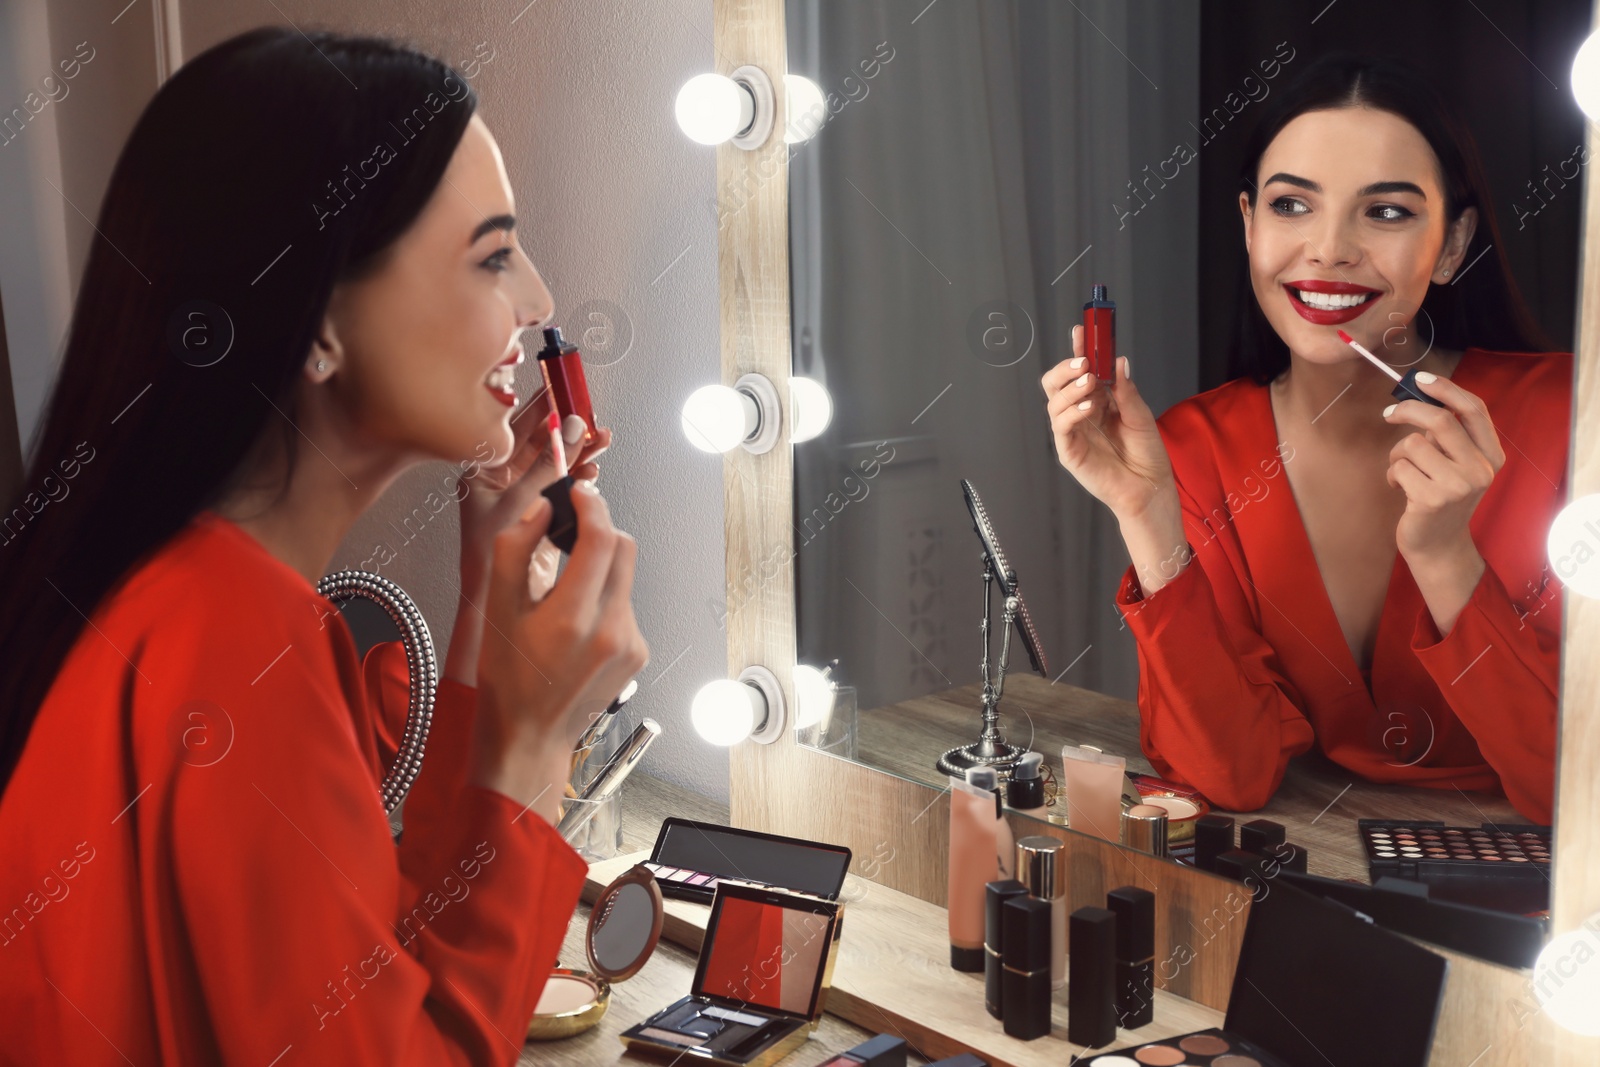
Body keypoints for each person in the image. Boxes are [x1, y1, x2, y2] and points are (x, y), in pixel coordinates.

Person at [0, 27, 647, 1064]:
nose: (537, 302)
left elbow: (384, 950)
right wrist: (535, 745)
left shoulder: (190, 595)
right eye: (492, 254)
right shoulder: (236, 645)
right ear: (316, 326)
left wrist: (486, 605)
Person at [1041, 54, 1566, 823]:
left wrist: (1449, 558)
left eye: (1385, 212)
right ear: (1249, 225)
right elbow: (1229, 775)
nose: (1328, 249)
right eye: (1293, 206)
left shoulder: (1567, 416)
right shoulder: (1194, 447)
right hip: (1311, 897)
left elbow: (1572, 787)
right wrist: (1148, 521)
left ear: (1453, 246)